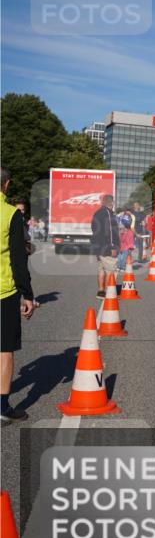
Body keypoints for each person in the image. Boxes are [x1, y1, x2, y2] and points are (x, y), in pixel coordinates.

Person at [1, 168, 35, 422]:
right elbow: (17, 258)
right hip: (4, 291)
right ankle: (2, 408)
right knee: (4, 350)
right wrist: (28, 294)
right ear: (7, 184)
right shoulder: (11, 214)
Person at [90, 195, 119, 298]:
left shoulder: (97, 213)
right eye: (113, 203)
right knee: (111, 271)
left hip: (98, 247)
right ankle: (109, 293)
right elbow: (110, 233)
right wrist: (112, 248)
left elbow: (94, 229)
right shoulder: (108, 214)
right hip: (107, 248)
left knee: (101, 269)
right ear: (111, 203)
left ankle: (101, 291)